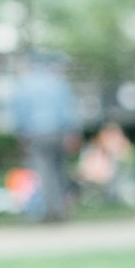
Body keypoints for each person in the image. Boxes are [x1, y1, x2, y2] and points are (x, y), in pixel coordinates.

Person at [10, 51, 80, 222]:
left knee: (45, 172)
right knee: (60, 169)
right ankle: (64, 206)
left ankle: (53, 210)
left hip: (36, 134)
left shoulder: (24, 84)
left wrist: (21, 133)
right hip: (58, 132)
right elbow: (69, 109)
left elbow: (20, 112)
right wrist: (73, 132)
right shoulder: (56, 82)